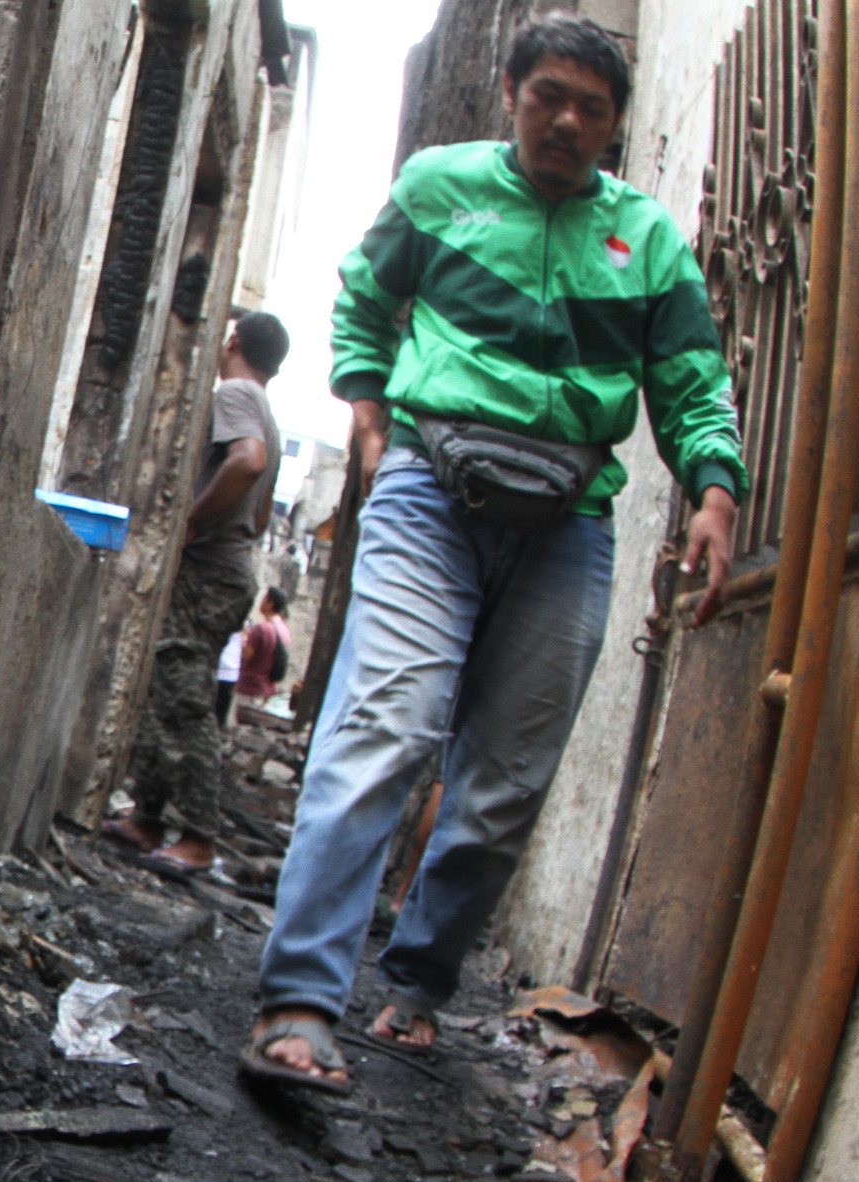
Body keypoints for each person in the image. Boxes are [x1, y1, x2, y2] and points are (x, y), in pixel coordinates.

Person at [241, 14, 743, 1093]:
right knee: (389, 723)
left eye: (592, 108)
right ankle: (298, 1003)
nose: (566, 120)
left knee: (507, 778)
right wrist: (367, 408)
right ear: (511, 91)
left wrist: (713, 486)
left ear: (614, 126)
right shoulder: (439, 186)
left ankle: (417, 983)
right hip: (432, 490)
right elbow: (367, 295)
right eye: (548, 95)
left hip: (569, 521)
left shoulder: (646, 239)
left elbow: (692, 376)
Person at [103, 311, 291, 875]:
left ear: (231, 341)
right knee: (169, 688)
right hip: (228, 570)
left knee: (183, 699)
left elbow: (247, 463)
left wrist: (188, 522)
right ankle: (149, 817)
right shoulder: (268, 413)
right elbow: (259, 515)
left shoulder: (234, 392)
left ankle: (199, 837)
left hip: (208, 569)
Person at [235, 587, 291, 704]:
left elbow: (247, 655)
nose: (261, 602)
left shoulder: (261, 628)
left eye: (264, 599)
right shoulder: (284, 629)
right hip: (268, 689)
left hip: (250, 688)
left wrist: (244, 637)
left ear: (270, 604)